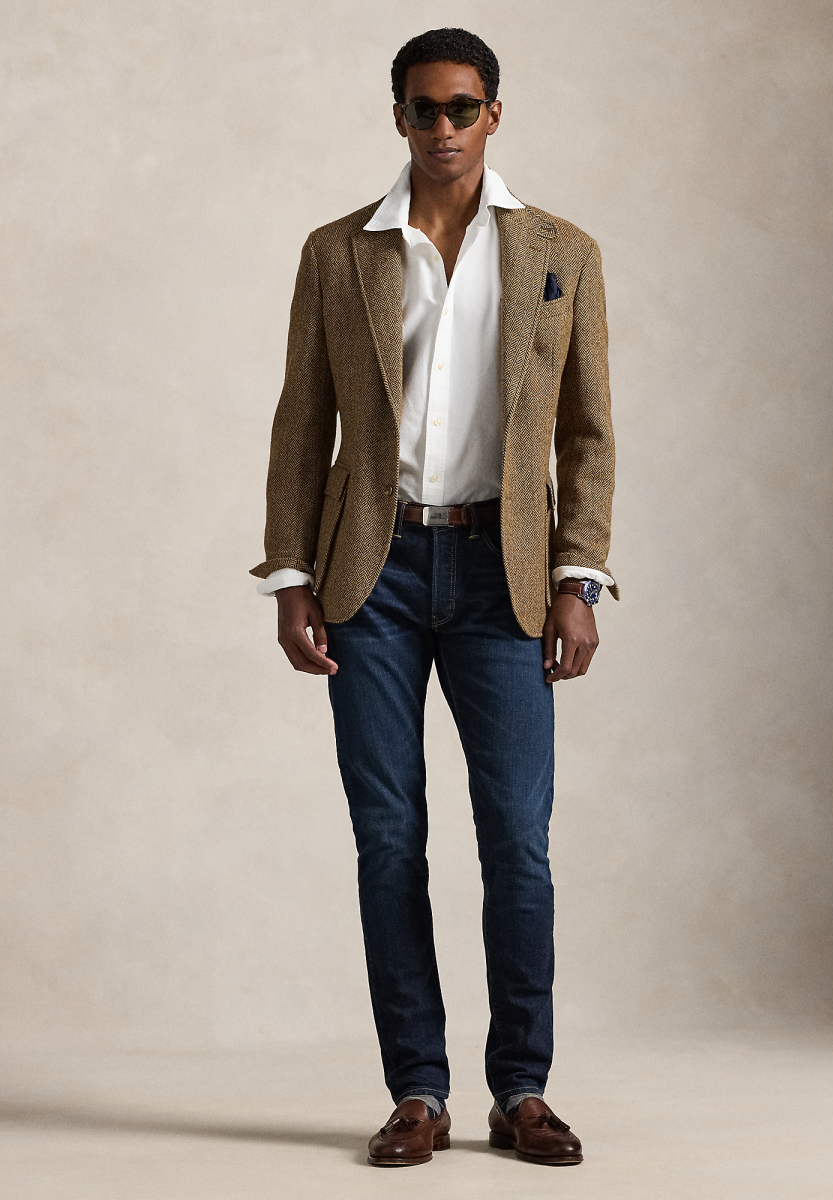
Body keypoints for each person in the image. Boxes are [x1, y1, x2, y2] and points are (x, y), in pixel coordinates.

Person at [251, 27, 616, 1168]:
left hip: (507, 577)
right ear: (398, 116)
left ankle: (523, 1091)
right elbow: (303, 420)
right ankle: (418, 1090)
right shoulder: (338, 253)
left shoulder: (561, 252)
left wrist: (578, 577)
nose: (443, 127)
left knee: (517, 841)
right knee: (388, 838)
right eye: (424, 108)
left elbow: (587, 432)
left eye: (463, 107)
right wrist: (292, 575)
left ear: (494, 113)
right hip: (373, 573)